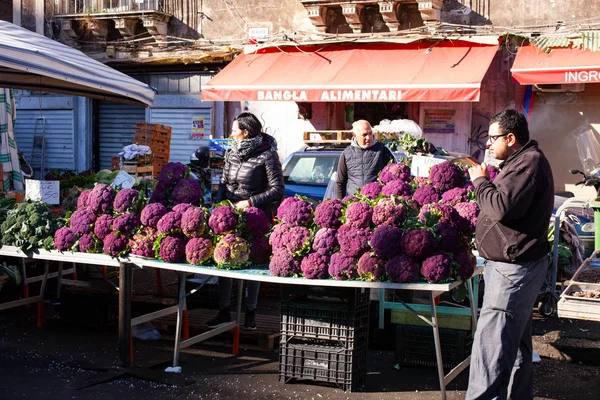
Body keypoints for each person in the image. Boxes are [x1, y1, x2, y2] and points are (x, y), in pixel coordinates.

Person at [466, 109, 554, 400]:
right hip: (511, 269)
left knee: (491, 348)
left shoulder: (529, 163)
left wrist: (480, 181)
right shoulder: (521, 161)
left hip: (513, 272)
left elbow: (501, 206)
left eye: (492, 138)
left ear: (511, 138)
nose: (488, 144)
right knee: (514, 346)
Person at [206, 112, 284, 330]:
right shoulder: (231, 153)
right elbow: (223, 183)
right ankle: (224, 311)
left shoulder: (267, 155)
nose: (231, 135)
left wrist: (250, 203)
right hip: (230, 217)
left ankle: (250, 313)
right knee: (224, 259)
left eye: (234, 131)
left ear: (246, 132)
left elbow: (278, 190)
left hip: (255, 218)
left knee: (252, 265)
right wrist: (219, 206)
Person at [335, 120, 395, 199]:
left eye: (370, 133)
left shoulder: (383, 150)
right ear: (355, 135)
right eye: (364, 135)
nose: (368, 137)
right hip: (354, 203)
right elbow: (340, 182)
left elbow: (395, 175)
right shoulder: (346, 153)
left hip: (377, 203)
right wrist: (340, 203)